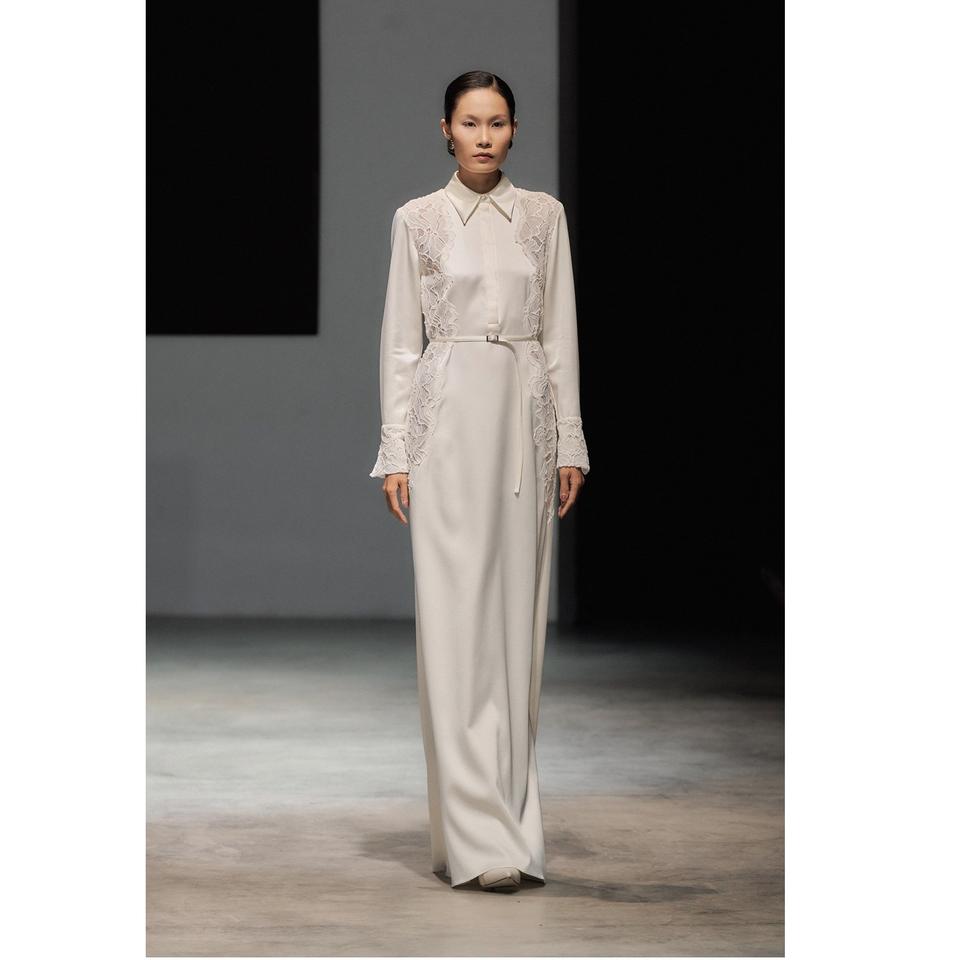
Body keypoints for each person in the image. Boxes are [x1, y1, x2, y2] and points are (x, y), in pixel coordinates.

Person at [369, 70, 591, 892]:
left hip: (524, 429)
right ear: (446, 130)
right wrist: (396, 449)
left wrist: (570, 440)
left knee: (513, 630)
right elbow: (402, 342)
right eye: (470, 123)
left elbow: (560, 333)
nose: (485, 137)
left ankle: (511, 829)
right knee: (454, 626)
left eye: (498, 122)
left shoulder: (544, 217)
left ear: (514, 130)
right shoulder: (418, 220)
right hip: (447, 429)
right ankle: (473, 838)